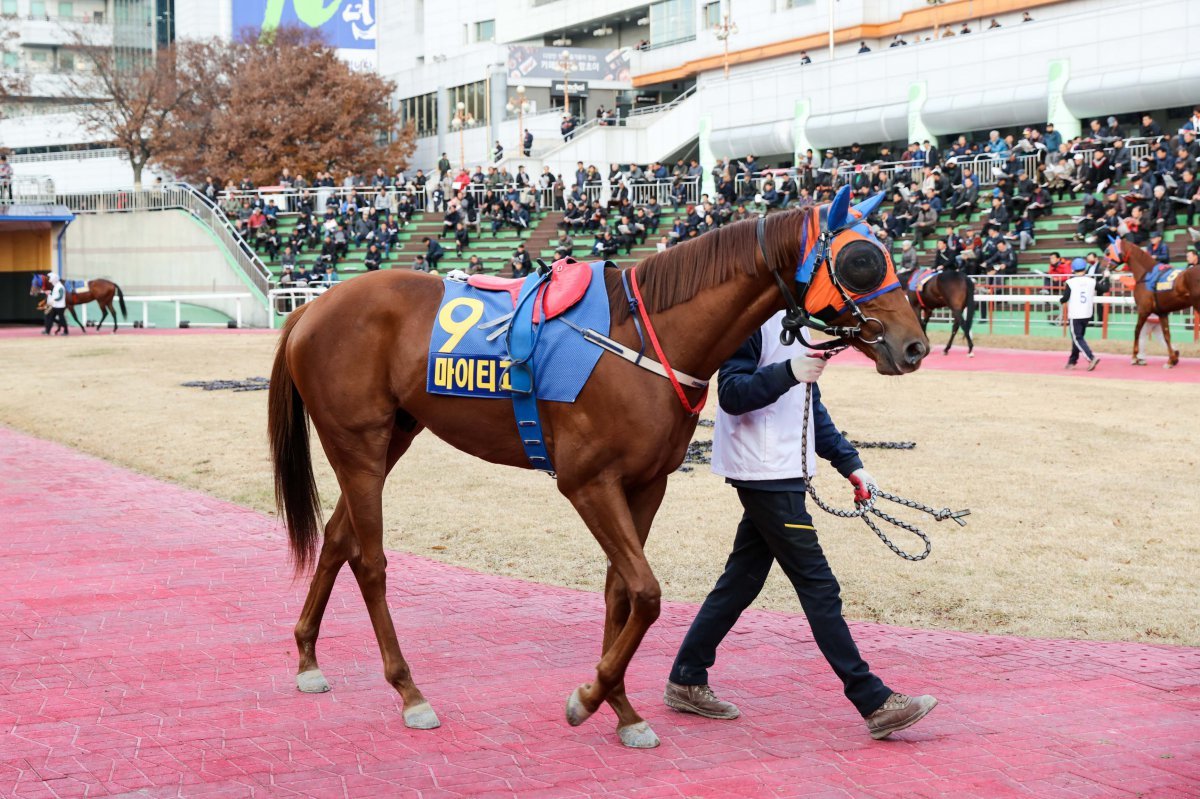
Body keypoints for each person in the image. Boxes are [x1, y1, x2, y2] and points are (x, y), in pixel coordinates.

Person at [664, 314, 937, 740]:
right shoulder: (749, 323)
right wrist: (790, 371)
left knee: (741, 581)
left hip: (779, 472)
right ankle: (873, 701)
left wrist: (852, 465)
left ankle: (686, 677)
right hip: (764, 472)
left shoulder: (790, 323)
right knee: (819, 586)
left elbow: (811, 406)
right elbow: (732, 394)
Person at [1060, 271, 1100, 370]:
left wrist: (1061, 300)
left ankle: (1091, 357)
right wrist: (1107, 278)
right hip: (1087, 314)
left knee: (1077, 338)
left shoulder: (1071, 282)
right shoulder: (1092, 281)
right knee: (1078, 338)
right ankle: (1072, 361)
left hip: (1075, 314)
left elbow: (1065, 298)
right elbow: (1105, 288)